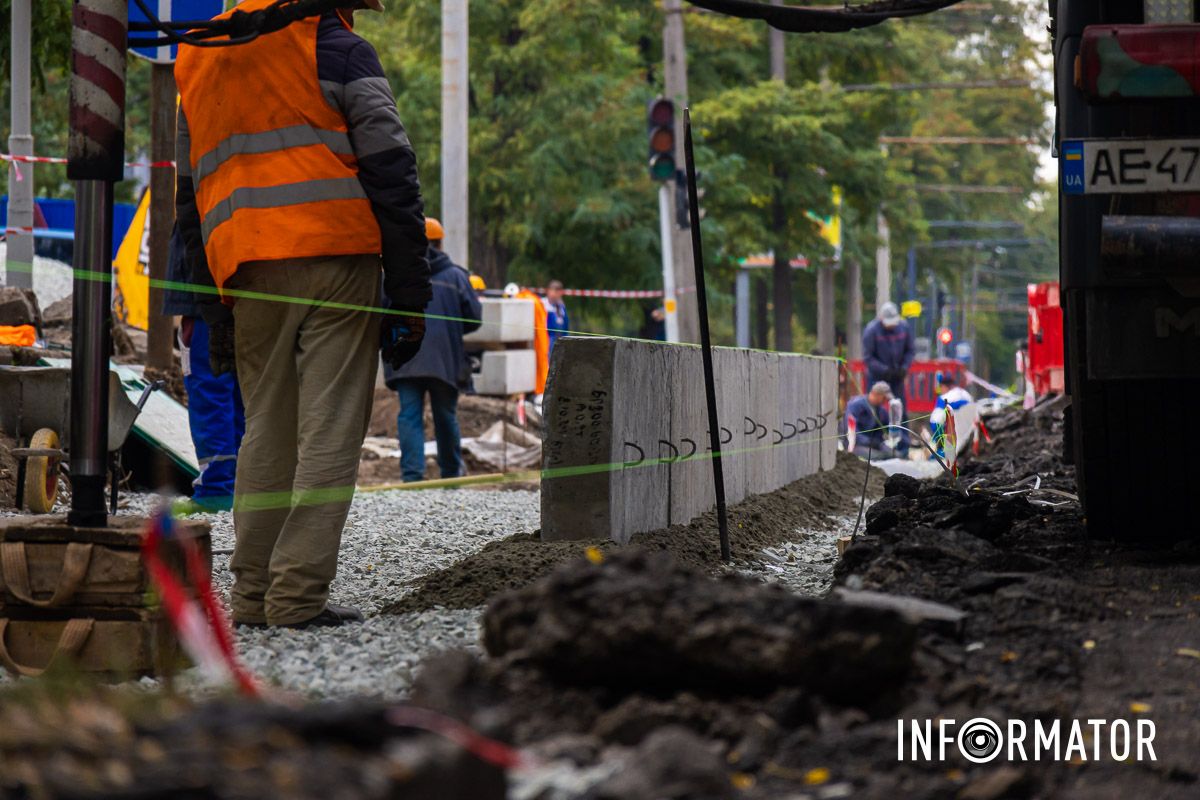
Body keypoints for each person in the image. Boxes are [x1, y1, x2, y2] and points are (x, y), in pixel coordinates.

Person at [174, 0, 432, 629]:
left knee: (265, 425)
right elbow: (391, 167)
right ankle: (296, 599)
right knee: (329, 430)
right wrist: (408, 291)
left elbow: (190, 194)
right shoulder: (338, 46)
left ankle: (252, 597)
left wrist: (209, 301)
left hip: (246, 263)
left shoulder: (202, 55)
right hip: (336, 256)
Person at [386, 219, 482, 482]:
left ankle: (412, 477)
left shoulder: (397, 274)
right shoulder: (456, 276)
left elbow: (382, 313)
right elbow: (475, 318)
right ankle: (451, 474)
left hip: (405, 359)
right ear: (440, 243)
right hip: (445, 361)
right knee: (445, 416)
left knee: (409, 416)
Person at [163, 225, 245, 512]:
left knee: (211, 390)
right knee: (239, 393)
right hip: (241, 291)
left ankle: (217, 488)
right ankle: (239, 486)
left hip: (204, 297)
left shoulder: (201, 184)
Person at [863, 301, 915, 453]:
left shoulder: (903, 328)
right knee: (874, 409)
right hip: (878, 377)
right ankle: (874, 444)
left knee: (899, 409)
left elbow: (910, 351)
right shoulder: (872, 331)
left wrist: (904, 368)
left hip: (897, 376)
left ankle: (903, 446)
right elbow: (868, 357)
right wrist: (884, 370)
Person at [845, 381, 897, 460]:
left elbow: (887, 428)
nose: (885, 401)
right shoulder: (856, 405)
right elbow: (850, 430)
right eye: (884, 398)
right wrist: (869, 442)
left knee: (894, 454)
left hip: (874, 445)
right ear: (875, 394)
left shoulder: (881, 410)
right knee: (876, 457)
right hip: (855, 444)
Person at [930, 372, 976, 458]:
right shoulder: (966, 394)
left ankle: (942, 451)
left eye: (941, 388)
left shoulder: (944, 397)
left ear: (944, 386)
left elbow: (935, 419)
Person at [543, 279, 569, 354]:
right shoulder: (542, 305)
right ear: (548, 291)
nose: (556, 294)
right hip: (546, 342)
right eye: (554, 291)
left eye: (559, 292)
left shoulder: (561, 306)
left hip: (560, 342)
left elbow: (565, 327)